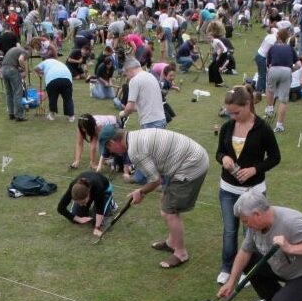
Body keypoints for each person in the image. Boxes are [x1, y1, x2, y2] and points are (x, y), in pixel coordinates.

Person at [100, 126, 209, 268]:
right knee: (166, 201)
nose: (112, 153)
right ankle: (172, 243)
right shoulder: (134, 136)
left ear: (112, 143)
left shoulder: (135, 151)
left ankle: (181, 253)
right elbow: (158, 168)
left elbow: (155, 180)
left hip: (191, 166)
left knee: (169, 212)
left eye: (109, 149)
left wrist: (141, 192)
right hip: (186, 159)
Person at [216, 86, 281, 285]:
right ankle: (227, 267)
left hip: (253, 192)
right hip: (228, 189)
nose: (233, 116)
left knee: (250, 233)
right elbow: (219, 152)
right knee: (229, 230)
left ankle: (247, 269)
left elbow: (275, 157)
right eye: (230, 112)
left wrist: (255, 169)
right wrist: (224, 158)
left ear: (248, 105)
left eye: (236, 112)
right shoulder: (228, 127)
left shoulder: (263, 128)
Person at [56, 170, 114, 237]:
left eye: (83, 202)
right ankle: (85, 207)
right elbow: (60, 208)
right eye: (78, 203)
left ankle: (111, 202)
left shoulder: (98, 188)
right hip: (88, 190)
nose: (81, 205)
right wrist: (78, 219)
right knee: (76, 217)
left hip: (105, 190)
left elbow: (100, 210)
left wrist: (97, 228)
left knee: (97, 221)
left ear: (89, 195)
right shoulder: (73, 187)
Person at [118, 59, 166, 129]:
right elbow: (145, 104)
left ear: (129, 69)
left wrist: (123, 114)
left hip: (150, 122)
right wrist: (129, 110)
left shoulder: (135, 80)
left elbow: (130, 106)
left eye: (126, 74)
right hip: (161, 119)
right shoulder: (151, 76)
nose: (127, 77)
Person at [36, 57, 75, 122]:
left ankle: (52, 115)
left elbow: (36, 68)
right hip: (67, 79)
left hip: (52, 79)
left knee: (52, 97)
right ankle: (71, 117)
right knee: (68, 98)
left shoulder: (45, 62)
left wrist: (39, 73)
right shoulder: (59, 63)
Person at [0, 39, 28, 121]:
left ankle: (11, 113)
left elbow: (13, 61)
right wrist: (25, 70)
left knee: (9, 93)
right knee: (17, 92)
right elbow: (20, 60)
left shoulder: (14, 49)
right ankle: (19, 115)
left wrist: (19, 69)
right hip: (11, 70)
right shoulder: (24, 52)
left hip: (3, 69)